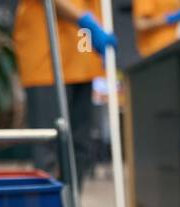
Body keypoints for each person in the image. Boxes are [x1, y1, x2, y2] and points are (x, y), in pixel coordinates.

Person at [12, 0, 116, 191]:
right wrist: (87, 21)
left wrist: (92, 40)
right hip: (46, 59)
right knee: (48, 146)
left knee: (80, 147)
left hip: (81, 57)